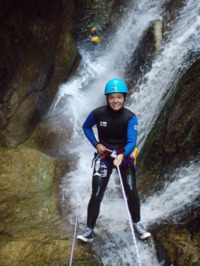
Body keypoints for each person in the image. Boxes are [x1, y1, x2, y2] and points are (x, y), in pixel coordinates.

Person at [77, 78, 151, 243]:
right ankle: (89, 230)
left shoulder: (130, 118)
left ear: (124, 97)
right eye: (112, 97)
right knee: (96, 192)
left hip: (123, 156)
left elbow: (132, 141)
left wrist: (122, 155)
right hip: (104, 157)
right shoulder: (98, 113)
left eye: (119, 97)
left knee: (131, 189)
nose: (115, 101)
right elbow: (86, 127)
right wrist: (96, 144)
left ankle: (137, 225)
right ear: (107, 98)